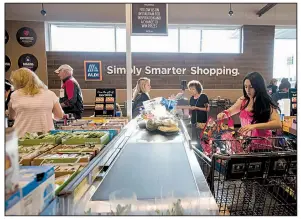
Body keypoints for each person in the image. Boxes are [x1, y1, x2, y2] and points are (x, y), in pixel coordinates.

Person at [217, 72, 281, 138]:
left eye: (251, 87)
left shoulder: (266, 101)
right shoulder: (243, 100)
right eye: (245, 86)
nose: (248, 90)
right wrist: (224, 114)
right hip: (246, 142)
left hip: (262, 143)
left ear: (258, 87)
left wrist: (254, 126)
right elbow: (230, 111)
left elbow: (277, 123)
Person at [8, 68, 64, 137]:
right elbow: (59, 115)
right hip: (46, 136)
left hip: (21, 136)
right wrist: (45, 114)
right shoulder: (50, 94)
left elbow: (12, 116)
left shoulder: (15, 95)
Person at [184, 80, 210, 148]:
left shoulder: (203, 96)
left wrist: (197, 108)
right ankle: (196, 153)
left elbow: (207, 109)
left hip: (202, 122)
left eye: (193, 89)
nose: (191, 90)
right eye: (190, 89)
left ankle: (204, 153)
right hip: (193, 122)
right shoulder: (192, 98)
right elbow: (191, 109)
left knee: (202, 139)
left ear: (198, 89)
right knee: (194, 140)